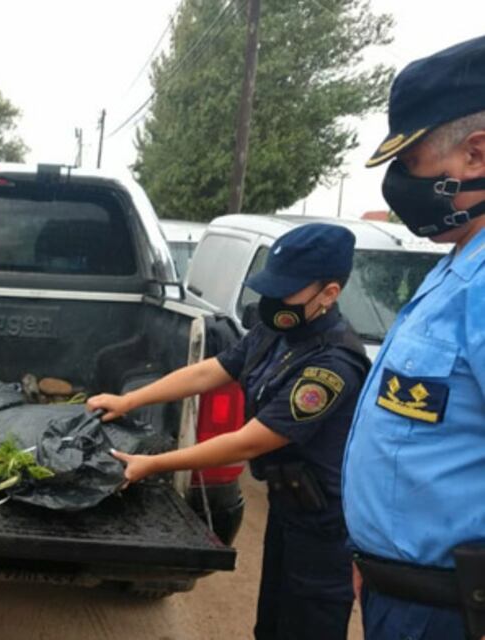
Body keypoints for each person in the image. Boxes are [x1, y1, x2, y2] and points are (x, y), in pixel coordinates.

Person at [88, 223, 370, 640]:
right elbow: (210, 371)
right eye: (270, 289)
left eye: (286, 291)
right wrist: (128, 400)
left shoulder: (332, 366)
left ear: (329, 293)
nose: (272, 301)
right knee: (271, 625)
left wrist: (152, 464)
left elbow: (251, 440)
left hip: (324, 523)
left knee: (309, 629)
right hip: (288, 506)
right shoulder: (277, 330)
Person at [342, 35, 485, 640]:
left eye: (411, 163)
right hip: (408, 594)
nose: (399, 185)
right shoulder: (458, 264)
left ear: (476, 154)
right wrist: (376, 566)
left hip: (454, 610)